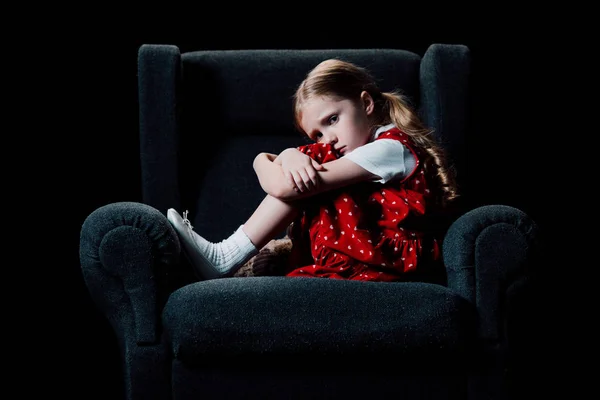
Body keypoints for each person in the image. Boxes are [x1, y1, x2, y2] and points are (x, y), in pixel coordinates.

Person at [167, 58, 459, 282]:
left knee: (311, 164)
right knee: (308, 166)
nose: (328, 138)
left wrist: (282, 157)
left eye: (332, 119)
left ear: (366, 103)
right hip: (365, 250)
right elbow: (286, 181)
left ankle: (226, 256)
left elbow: (284, 187)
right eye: (316, 134)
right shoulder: (366, 148)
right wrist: (280, 156)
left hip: (387, 259)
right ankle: (235, 258)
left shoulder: (389, 148)